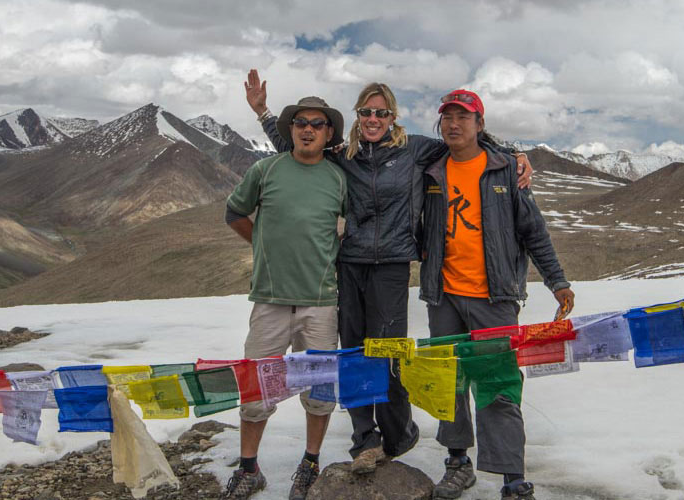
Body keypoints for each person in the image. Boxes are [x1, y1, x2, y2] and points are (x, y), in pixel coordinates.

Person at [244, 70, 534, 475]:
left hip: (394, 265)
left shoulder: (417, 150)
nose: (373, 118)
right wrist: (263, 114)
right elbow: (296, 149)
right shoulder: (344, 156)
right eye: (366, 111)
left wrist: (515, 154)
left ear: (393, 116)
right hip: (351, 266)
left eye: (381, 112)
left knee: (388, 353)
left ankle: (398, 433)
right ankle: (365, 438)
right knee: (354, 352)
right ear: (358, 116)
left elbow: (464, 140)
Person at [420, 89, 574, 500]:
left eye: (463, 117)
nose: (454, 124)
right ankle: (457, 462)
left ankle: (512, 477)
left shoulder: (506, 170)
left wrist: (557, 280)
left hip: (495, 296)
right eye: (447, 117)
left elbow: (533, 230)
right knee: (448, 381)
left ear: (479, 124)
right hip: (445, 295)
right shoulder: (431, 168)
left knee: (499, 381)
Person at [223, 96, 348, 500]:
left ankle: (310, 463)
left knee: (320, 391)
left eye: (317, 123)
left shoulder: (338, 178)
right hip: (271, 300)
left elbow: (348, 227)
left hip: (320, 302)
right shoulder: (266, 169)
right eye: (299, 122)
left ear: (329, 133)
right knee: (256, 389)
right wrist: (260, 246)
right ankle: (249, 468)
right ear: (290, 129)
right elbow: (235, 213)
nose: (307, 129)